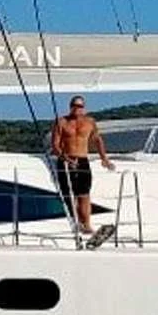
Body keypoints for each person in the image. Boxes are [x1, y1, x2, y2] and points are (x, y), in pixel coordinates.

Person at [48, 95, 113, 244]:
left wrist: (104, 158)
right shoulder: (61, 122)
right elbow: (55, 145)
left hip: (82, 159)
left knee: (84, 193)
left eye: (80, 106)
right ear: (70, 106)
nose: (77, 109)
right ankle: (75, 222)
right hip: (66, 160)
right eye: (75, 106)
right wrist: (65, 157)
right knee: (70, 195)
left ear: (84, 108)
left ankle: (87, 224)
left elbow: (97, 139)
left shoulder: (90, 122)